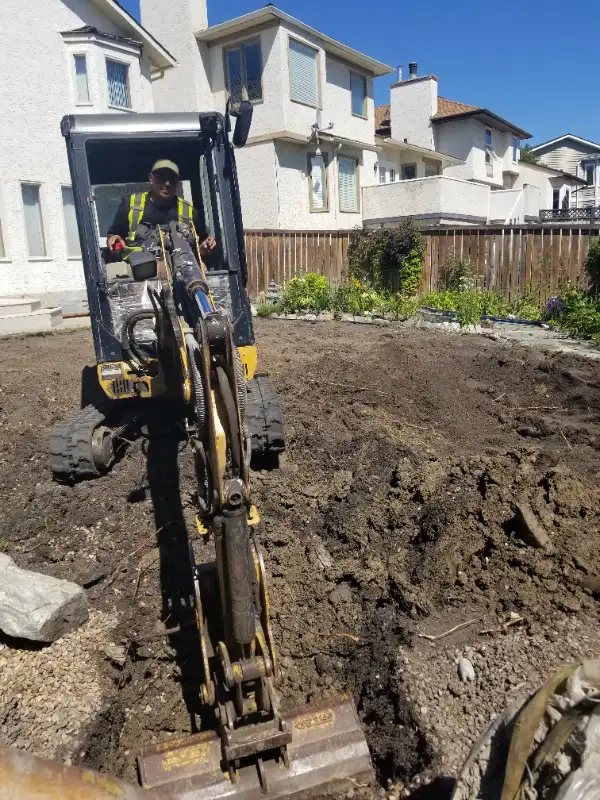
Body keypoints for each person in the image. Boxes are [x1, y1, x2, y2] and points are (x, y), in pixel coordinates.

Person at [106, 159, 216, 258]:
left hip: (181, 270)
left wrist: (206, 245)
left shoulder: (190, 212)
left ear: (177, 182)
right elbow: (113, 234)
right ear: (151, 178)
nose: (167, 183)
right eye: (162, 177)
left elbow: (201, 244)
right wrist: (113, 238)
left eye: (172, 179)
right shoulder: (130, 205)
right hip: (138, 273)